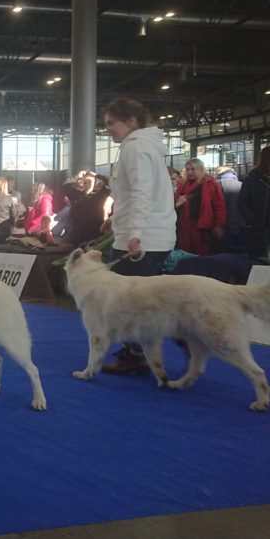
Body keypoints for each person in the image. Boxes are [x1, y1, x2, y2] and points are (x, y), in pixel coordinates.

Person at [98, 97, 176, 374]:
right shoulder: (145, 146)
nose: (107, 128)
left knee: (125, 302)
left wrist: (134, 234)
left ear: (131, 121)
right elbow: (136, 193)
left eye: (111, 123)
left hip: (143, 239)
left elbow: (142, 192)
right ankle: (141, 353)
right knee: (139, 302)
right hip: (154, 235)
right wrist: (116, 220)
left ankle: (138, 355)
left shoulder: (136, 148)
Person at [174, 158, 226, 256]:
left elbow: (219, 206)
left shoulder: (210, 183)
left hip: (202, 226)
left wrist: (219, 224)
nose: (190, 172)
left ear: (200, 169)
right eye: (188, 169)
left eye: (193, 169)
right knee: (185, 253)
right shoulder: (182, 184)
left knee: (201, 253)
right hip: (184, 226)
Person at [61, 170, 112, 247]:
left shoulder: (99, 196)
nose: (87, 184)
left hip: (95, 233)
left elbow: (110, 183)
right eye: (85, 182)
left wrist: (96, 175)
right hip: (78, 234)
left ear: (94, 182)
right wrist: (77, 176)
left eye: (89, 182)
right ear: (82, 183)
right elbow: (66, 186)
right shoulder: (76, 195)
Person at [239, 146, 270, 262]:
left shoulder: (251, 179)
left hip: (257, 229)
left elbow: (242, 203)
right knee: (259, 263)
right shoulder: (252, 179)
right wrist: (252, 222)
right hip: (258, 231)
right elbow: (243, 203)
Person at [214, 165, 245, 252]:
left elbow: (216, 205)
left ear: (219, 173)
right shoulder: (241, 184)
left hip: (224, 224)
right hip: (241, 223)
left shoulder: (217, 184)